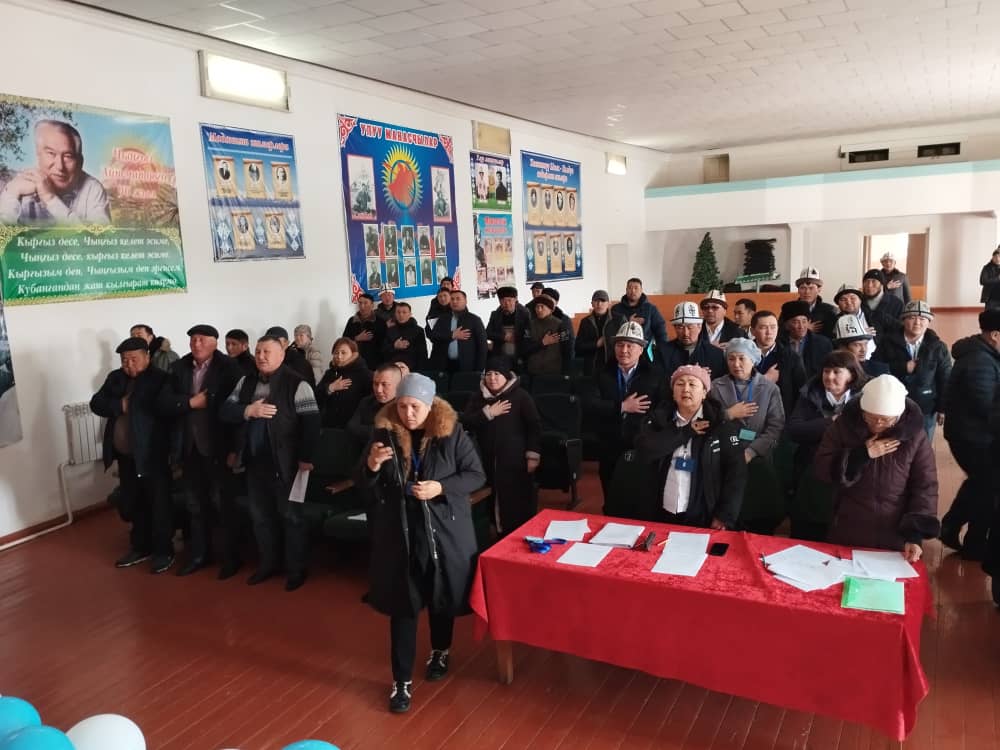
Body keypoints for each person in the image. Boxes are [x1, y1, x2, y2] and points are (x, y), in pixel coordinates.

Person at [359, 374, 486, 713]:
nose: (408, 414)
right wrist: (372, 465)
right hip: (400, 533)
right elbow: (363, 482)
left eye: (415, 407)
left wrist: (440, 488)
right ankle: (401, 682)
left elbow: (476, 474)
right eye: (402, 406)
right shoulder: (383, 432)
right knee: (404, 607)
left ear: (430, 406)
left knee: (440, 596)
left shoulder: (450, 432)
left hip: (442, 530)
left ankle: (440, 651)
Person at [221, 335, 320, 591]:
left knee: (291, 518)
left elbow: (311, 424)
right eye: (258, 351)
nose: (261, 356)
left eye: (267, 352)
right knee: (260, 518)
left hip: (287, 464)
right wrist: (248, 410)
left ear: (281, 355)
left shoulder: (297, 383)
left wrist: (305, 458)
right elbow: (225, 411)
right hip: (254, 462)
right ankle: (267, 564)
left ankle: (295, 570)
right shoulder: (246, 381)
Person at [814, 375, 939, 557]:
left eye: (885, 420)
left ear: (898, 416)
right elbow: (821, 468)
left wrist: (914, 535)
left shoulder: (915, 436)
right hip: (849, 526)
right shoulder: (843, 426)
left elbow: (925, 486)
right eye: (871, 418)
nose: (878, 424)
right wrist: (861, 455)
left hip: (895, 533)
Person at [160, 324, 242, 577]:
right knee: (195, 506)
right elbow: (164, 402)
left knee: (222, 505)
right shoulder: (179, 367)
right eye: (193, 340)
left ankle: (231, 558)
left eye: (202, 340)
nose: (196, 344)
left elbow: (237, 411)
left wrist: (235, 449)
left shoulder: (229, 368)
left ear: (215, 343)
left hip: (219, 448)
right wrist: (190, 402)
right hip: (189, 447)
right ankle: (199, 555)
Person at [90, 337, 173, 573]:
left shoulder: (161, 379)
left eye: (134, 359)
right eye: (124, 360)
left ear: (147, 357)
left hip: (153, 454)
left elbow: (162, 409)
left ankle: (163, 551)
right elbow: (96, 403)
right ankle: (140, 547)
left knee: (159, 504)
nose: (129, 365)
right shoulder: (116, 378)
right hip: (126, 455)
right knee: (134, 502)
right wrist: (119, 406)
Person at [633, 365, 746, 527]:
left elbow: (736, 473)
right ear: (673, 393)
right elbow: (644, 450)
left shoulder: (719, 424)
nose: (686, 389)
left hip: (703, 514)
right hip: (661, 511)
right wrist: (685, 433)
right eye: (680, 384)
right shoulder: (659, 419)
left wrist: (724, 515)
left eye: (692, 384)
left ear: (704, 393)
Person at [786, 351, 868, 541]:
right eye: (826, 371)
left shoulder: (865, 397)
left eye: (836, 372)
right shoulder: (809, 393)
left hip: (850, 473)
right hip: (811, 471)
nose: (829, 377)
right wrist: (832, 422)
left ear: (851, 375)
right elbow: (794, 430)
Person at [582, 321, 665, 507]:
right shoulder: (601, 373)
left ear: (641, 349)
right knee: (611, 497)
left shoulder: (655, 375)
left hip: (642, 445)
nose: (624, 350)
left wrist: (649, 427)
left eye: (630, 345)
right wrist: (621, 407)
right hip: (609, 444)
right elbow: (589, 404)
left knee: (640, 499)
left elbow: (663, 408)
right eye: (620, 345)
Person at [709, 338, 786, 533]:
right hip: (724, 458)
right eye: (731, 359)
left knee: (756, 516)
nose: (736, 364)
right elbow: (707, 420)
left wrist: (751, 452)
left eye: (742, 358)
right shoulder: (715, 386)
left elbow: (776, 427)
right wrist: (728, 414)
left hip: (758, 459)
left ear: (753, 360)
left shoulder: (770, 388)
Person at [940, 309, 1000, 559]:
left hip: (976, 434)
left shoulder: (985, 353)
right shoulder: (980, 362)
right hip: (972, 436)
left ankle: (955, 527)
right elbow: (986, 406)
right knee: (987, 487)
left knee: (981, 483)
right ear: (995, 335)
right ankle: (972, 542)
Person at [462, 356, 541, 536]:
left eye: (497, 374)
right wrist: (488, 413)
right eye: (489, 374)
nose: (492, 378)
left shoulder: (521, 396)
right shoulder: (477, 398)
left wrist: (533, 454)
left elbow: (534, 426)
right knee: (491, 501)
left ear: (506, 376)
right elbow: (466, 422)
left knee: (517, 501)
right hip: (485, 460)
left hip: (515, 462)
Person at [0, 120, 111, 225]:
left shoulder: (92, 189)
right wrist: (11, 193)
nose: (60, 166)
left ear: (80, 162)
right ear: (38, 155)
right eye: (51, 153)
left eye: (68, 156)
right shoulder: (17, 183)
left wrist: (51, 199)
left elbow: (98, 237)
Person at [873, 301, 951, 442]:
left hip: (926, 407)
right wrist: (902, 367)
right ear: (903, 320)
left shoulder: (938, 347)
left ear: (929, 322)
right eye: (912, 318)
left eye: (922, 319)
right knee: (893, 443)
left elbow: (945, 379)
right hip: (892, 405)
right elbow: (874, 368)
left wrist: (942, 408)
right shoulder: (887, 342)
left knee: (923, 444)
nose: (917, 323)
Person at [752, 309, 806, 418]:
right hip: (749, 413)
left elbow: (800, 391)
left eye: (773, 327)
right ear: (752, 331)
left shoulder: (791, 357)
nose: (769, 332)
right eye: (763, 327)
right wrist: (765, 380)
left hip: (780, 415)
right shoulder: (741, 355)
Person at [658, 302, 725, 380]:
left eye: (690, 327)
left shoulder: (716, 355)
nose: (685, 333)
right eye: (680, 327)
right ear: (675, 328)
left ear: (699, 326)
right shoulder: (662, 352)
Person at [315, 337, 373, 429]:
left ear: (353, 354)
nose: (339, 356)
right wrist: (330, 388)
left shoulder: (364, 374)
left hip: (352, 428)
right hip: (329, 425)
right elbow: (316, 396)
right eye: (336, 353)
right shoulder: (330, 373)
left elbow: (370, 401)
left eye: (343, 353)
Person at [428, 290, 487, 373]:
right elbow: (434, 336)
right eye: (452, 299)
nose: (454, 301)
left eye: (458, 299)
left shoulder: (474, 320)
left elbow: (482, 346)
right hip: (445, 366)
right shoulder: (443, 318)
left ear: (465, 301)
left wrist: (479, 369)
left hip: (467, 367)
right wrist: (452, 335)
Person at [611, 278, 669, 361]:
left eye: (636, 288)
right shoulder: (616, 309)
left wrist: (664, 352)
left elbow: (661, 331)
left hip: (645, 354)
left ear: (641, 290)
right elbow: (612, 330)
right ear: (626, 290)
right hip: (623, 352)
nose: (633, 291)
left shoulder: (650, 309)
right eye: (630, 288)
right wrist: (628, 323)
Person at [348, 362, 403, 447]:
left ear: (399, 385)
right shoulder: (366, 401)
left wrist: (365, 430)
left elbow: (395, 437)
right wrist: (380, 431)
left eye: (384, 384)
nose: (378, 390)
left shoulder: (404, 407)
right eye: (376, 384)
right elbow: (351, 428)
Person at [575, 290, 625, 376]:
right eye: (596, 301)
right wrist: (596, 344)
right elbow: (578, 347)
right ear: (592, 303)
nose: (599, 304)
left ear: (608, 303)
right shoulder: (585, 322)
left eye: (603, 301)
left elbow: (626, 342)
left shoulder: (619, 319)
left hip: (614, 367)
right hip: (592, 368)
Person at [780, 300, 833, 379]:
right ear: (786, 325)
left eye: (804, 321)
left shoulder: (823, 343)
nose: (801, 326)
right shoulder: (778, 344)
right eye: (796, 322)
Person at [780, 268, 838, 339]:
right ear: (798, 290)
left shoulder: (830, 310)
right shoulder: (789, 309)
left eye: (811, 288)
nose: (807, 292)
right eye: (803, 288)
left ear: (819, 290)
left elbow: (833, 337)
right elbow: (779, 332)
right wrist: (802, 328)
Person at [523, 295, 569, 376]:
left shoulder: (561, 325)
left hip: (554, 371)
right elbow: (525, 348)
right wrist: (542, 343)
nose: (539, 310)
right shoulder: (529, 325)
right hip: (533, 371)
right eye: (537, 307)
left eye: (542, 307)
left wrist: (566, 372)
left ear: (550, 309)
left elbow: (567, 349)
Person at [485, 287, 531, 366]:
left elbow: (529, 334)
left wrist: (516, 337)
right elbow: (487, 333)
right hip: (500, 356)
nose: (507, 304)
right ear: (499, 301)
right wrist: (504, 337)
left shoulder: (525, 314)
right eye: (503, 301)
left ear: (515, 299)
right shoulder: (495, 315)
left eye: (509, 300)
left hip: (520, 355)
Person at [343, 294, 387, 371]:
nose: (362, 306)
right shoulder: (352, 321)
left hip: (374, 363)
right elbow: (344, 340)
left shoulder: (380, 322)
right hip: (354, 361)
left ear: (372, 305)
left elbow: (384, 344)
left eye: (365, 303)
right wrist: (356, 338)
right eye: (360, 303)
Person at [383, 302, 428, 372]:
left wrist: (420, 371)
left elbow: (422, 353)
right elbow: (383, 351)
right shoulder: (390, 330)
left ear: (410, 314)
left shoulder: (418, 330)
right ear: (395, 314)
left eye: (404, 312)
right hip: (393, 369)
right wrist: (394, 346)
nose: (401, 315)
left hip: (413, 369)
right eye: (398, 312)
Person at [861, 269, 904, 336]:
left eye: (874, 281)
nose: (869, 285)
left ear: (882, 284)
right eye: (866, 282)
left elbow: (901, 328)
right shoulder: (858, 302)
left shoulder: (896, 303)